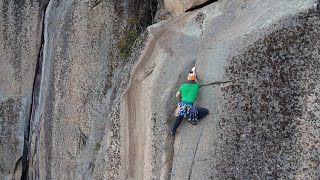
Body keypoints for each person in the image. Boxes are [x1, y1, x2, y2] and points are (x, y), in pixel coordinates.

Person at [170, 67, 209, 135]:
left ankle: (173, 130)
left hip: (181, 106)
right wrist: (193, 71)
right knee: (205, 111)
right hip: (190, 109)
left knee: (180, 118)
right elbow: (196, 79)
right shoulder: (196, 86)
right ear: (194, 79)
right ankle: (190, 117)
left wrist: (182, 96)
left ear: (188, 79)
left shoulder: (183, 86)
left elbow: (177, 95)